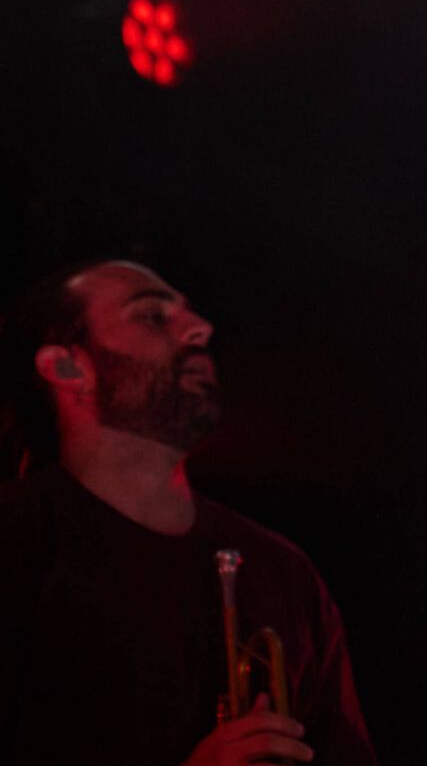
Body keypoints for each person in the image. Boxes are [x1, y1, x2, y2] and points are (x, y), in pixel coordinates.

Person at [0, 258, 377, 766]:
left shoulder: (284, 572)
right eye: (154, 316)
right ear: (69, 367)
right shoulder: (18, 540)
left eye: (191, 316)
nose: (201, 329)